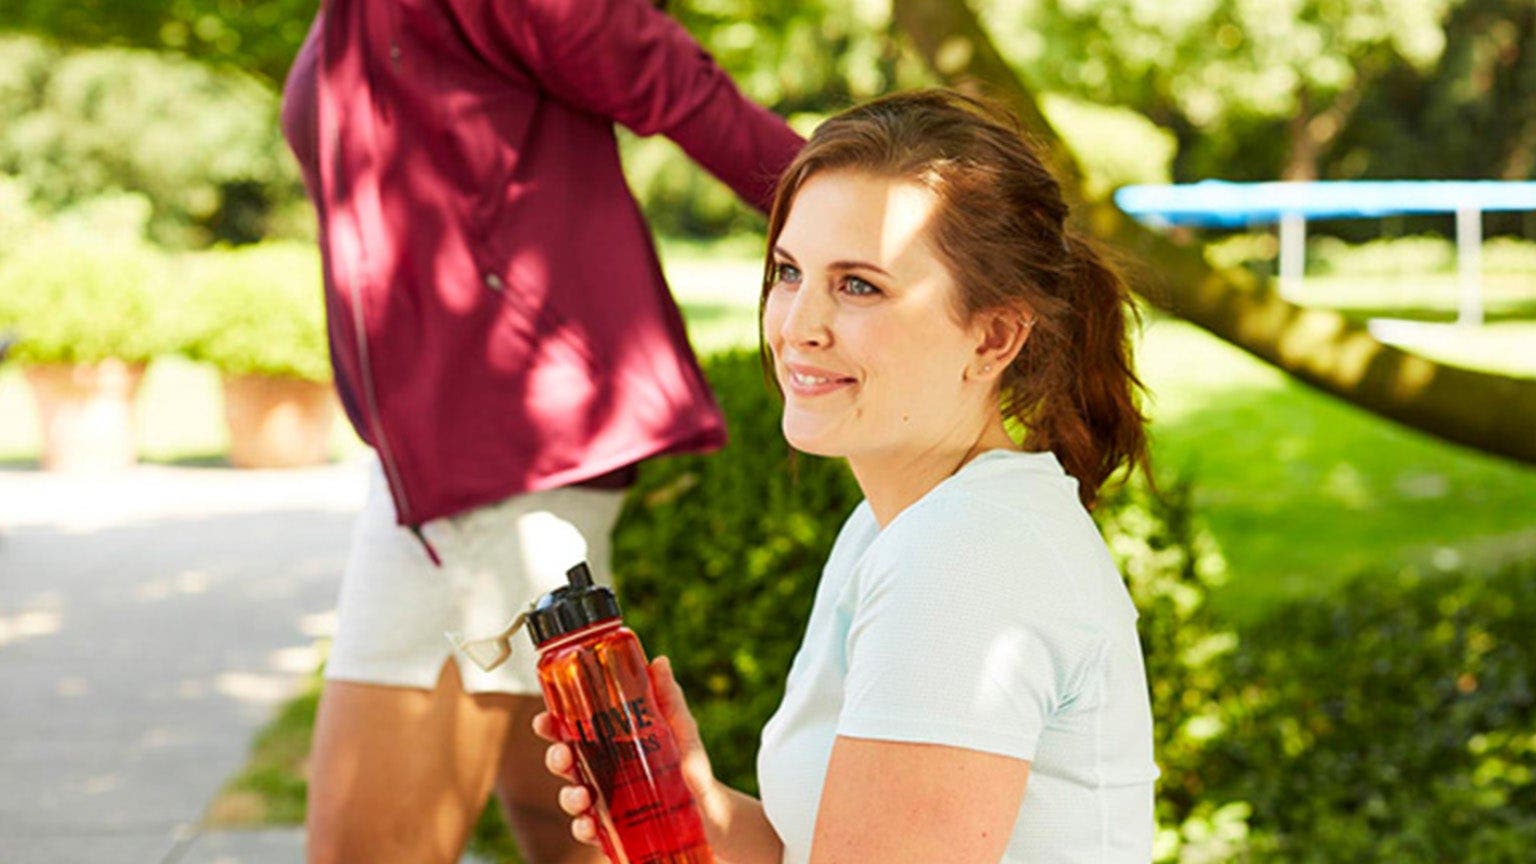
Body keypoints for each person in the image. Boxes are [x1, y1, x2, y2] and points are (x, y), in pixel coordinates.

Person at [537, 88, 1160, 863]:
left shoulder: (965, 553)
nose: (798, 327)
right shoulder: (896, 525)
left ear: (994, 335)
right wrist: (694, 801)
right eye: (789, 271)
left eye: (859, 284)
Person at [278, 0, 804, 861]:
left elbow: (681, 89)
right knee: (581, 832)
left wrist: (910, 241)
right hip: (458, 457)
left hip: (500, 462)